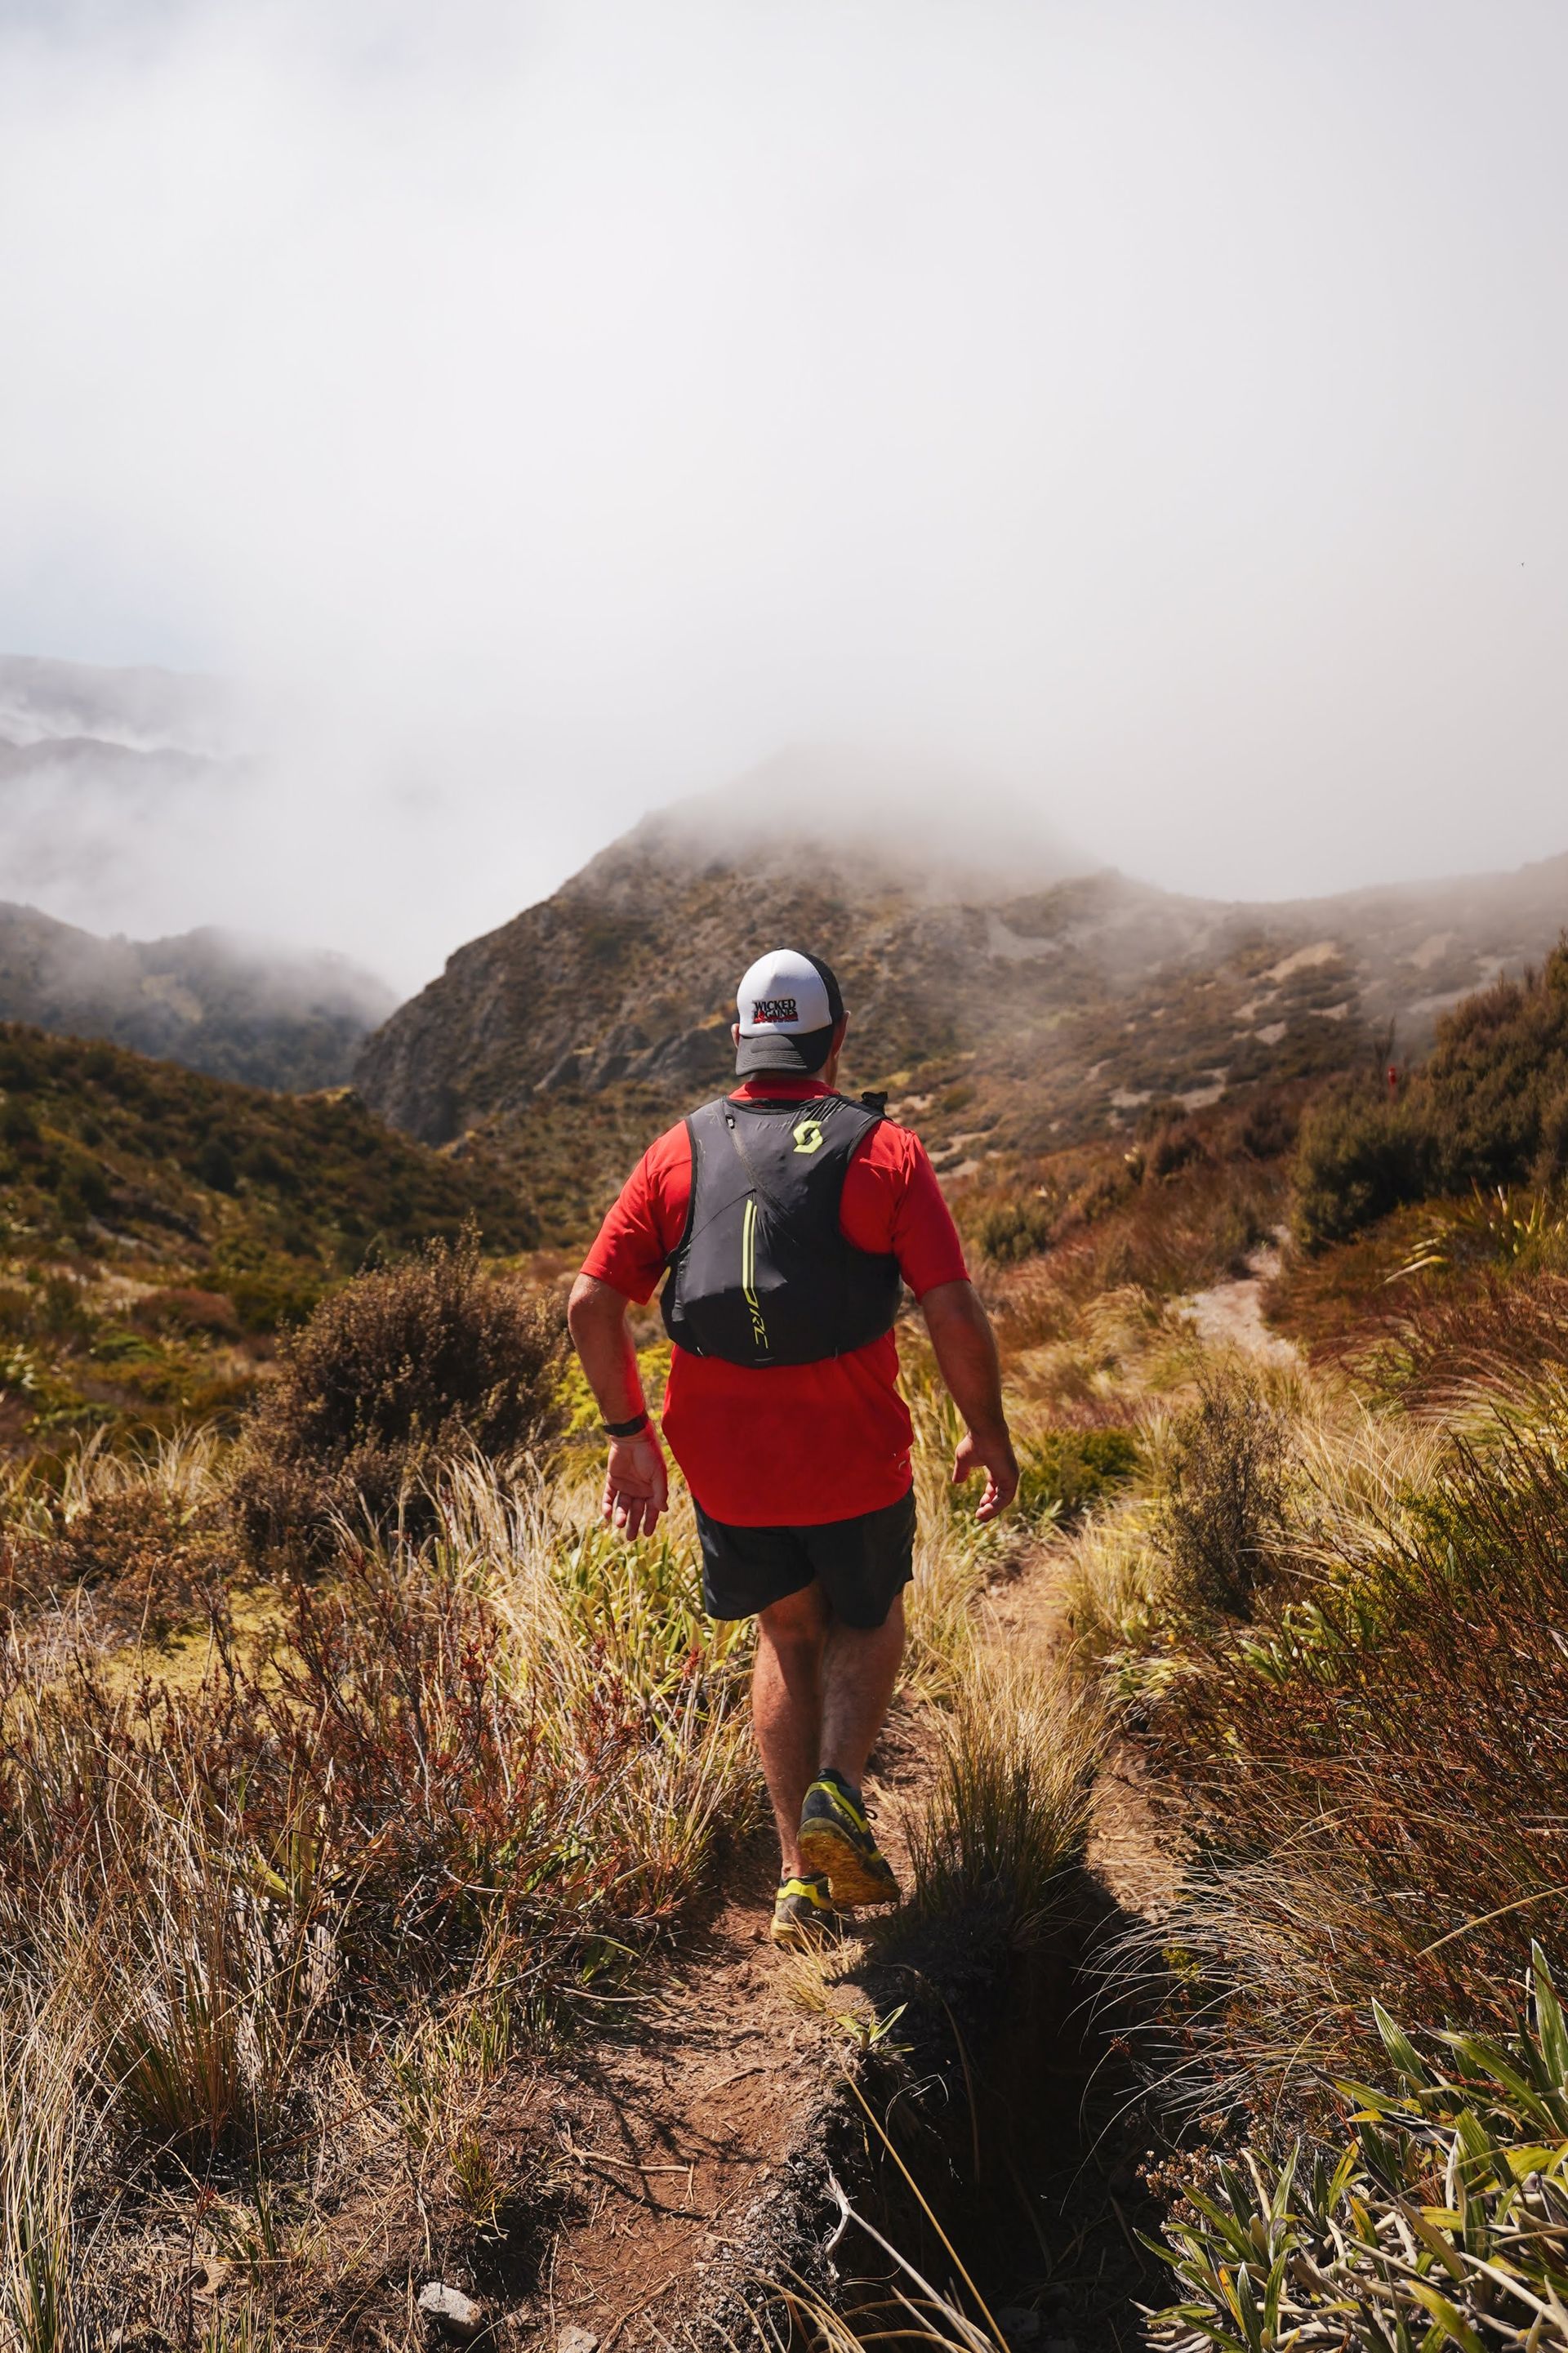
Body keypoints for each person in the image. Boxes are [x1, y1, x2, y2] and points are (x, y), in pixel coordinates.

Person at [568, 947, 1019, 1949]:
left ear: (741, 1038)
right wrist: (986, 1433)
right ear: (836, 1038)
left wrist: (629, 1439)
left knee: (785, 1631)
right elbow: (951, 1308)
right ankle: (839, 1794)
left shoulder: (676, 1153)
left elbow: (592, 1302)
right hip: (849, 1450)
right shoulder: (884, 1152)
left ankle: (796, 1883)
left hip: (725, 1460)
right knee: (867, 1614)